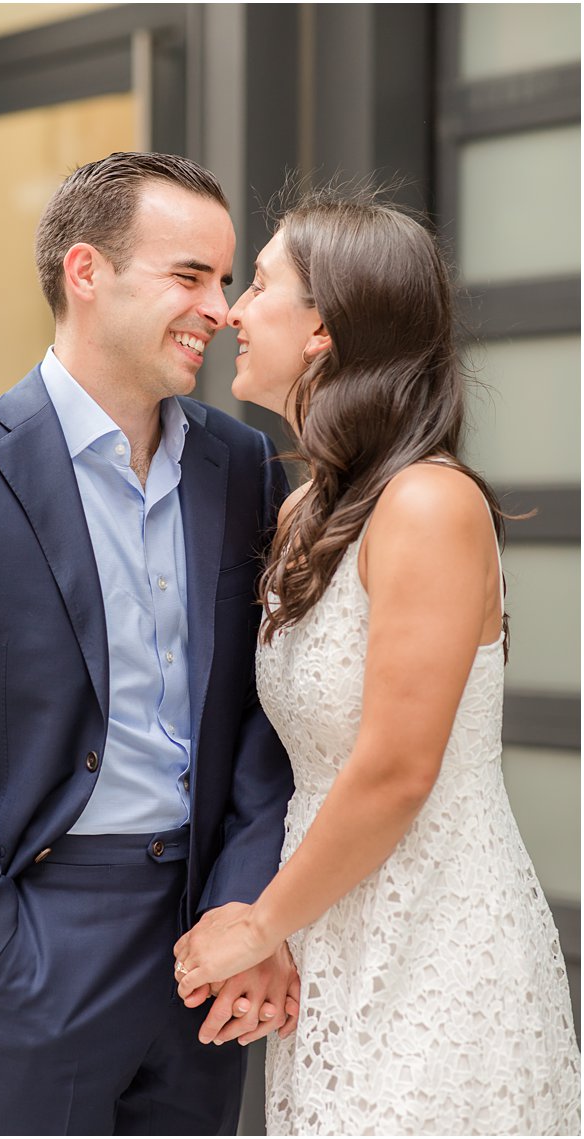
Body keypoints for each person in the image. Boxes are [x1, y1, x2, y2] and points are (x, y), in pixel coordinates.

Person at [0, 151, 298, 1136]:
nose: (219, 308)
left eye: (224, 280)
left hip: (200, 924)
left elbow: (265, 714)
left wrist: (240, 910)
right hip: (40, 927)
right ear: (86, 272)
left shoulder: (242, 466)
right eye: (189, 276)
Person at [171, 188, 581, 1134]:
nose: (231, 310)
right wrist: (281, 929)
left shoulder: (429, 504)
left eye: (259, 284)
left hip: (437, 941)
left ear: (323, 326)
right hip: (331, 940)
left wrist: (258, 922)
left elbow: (397, 768)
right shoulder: (304, 510)